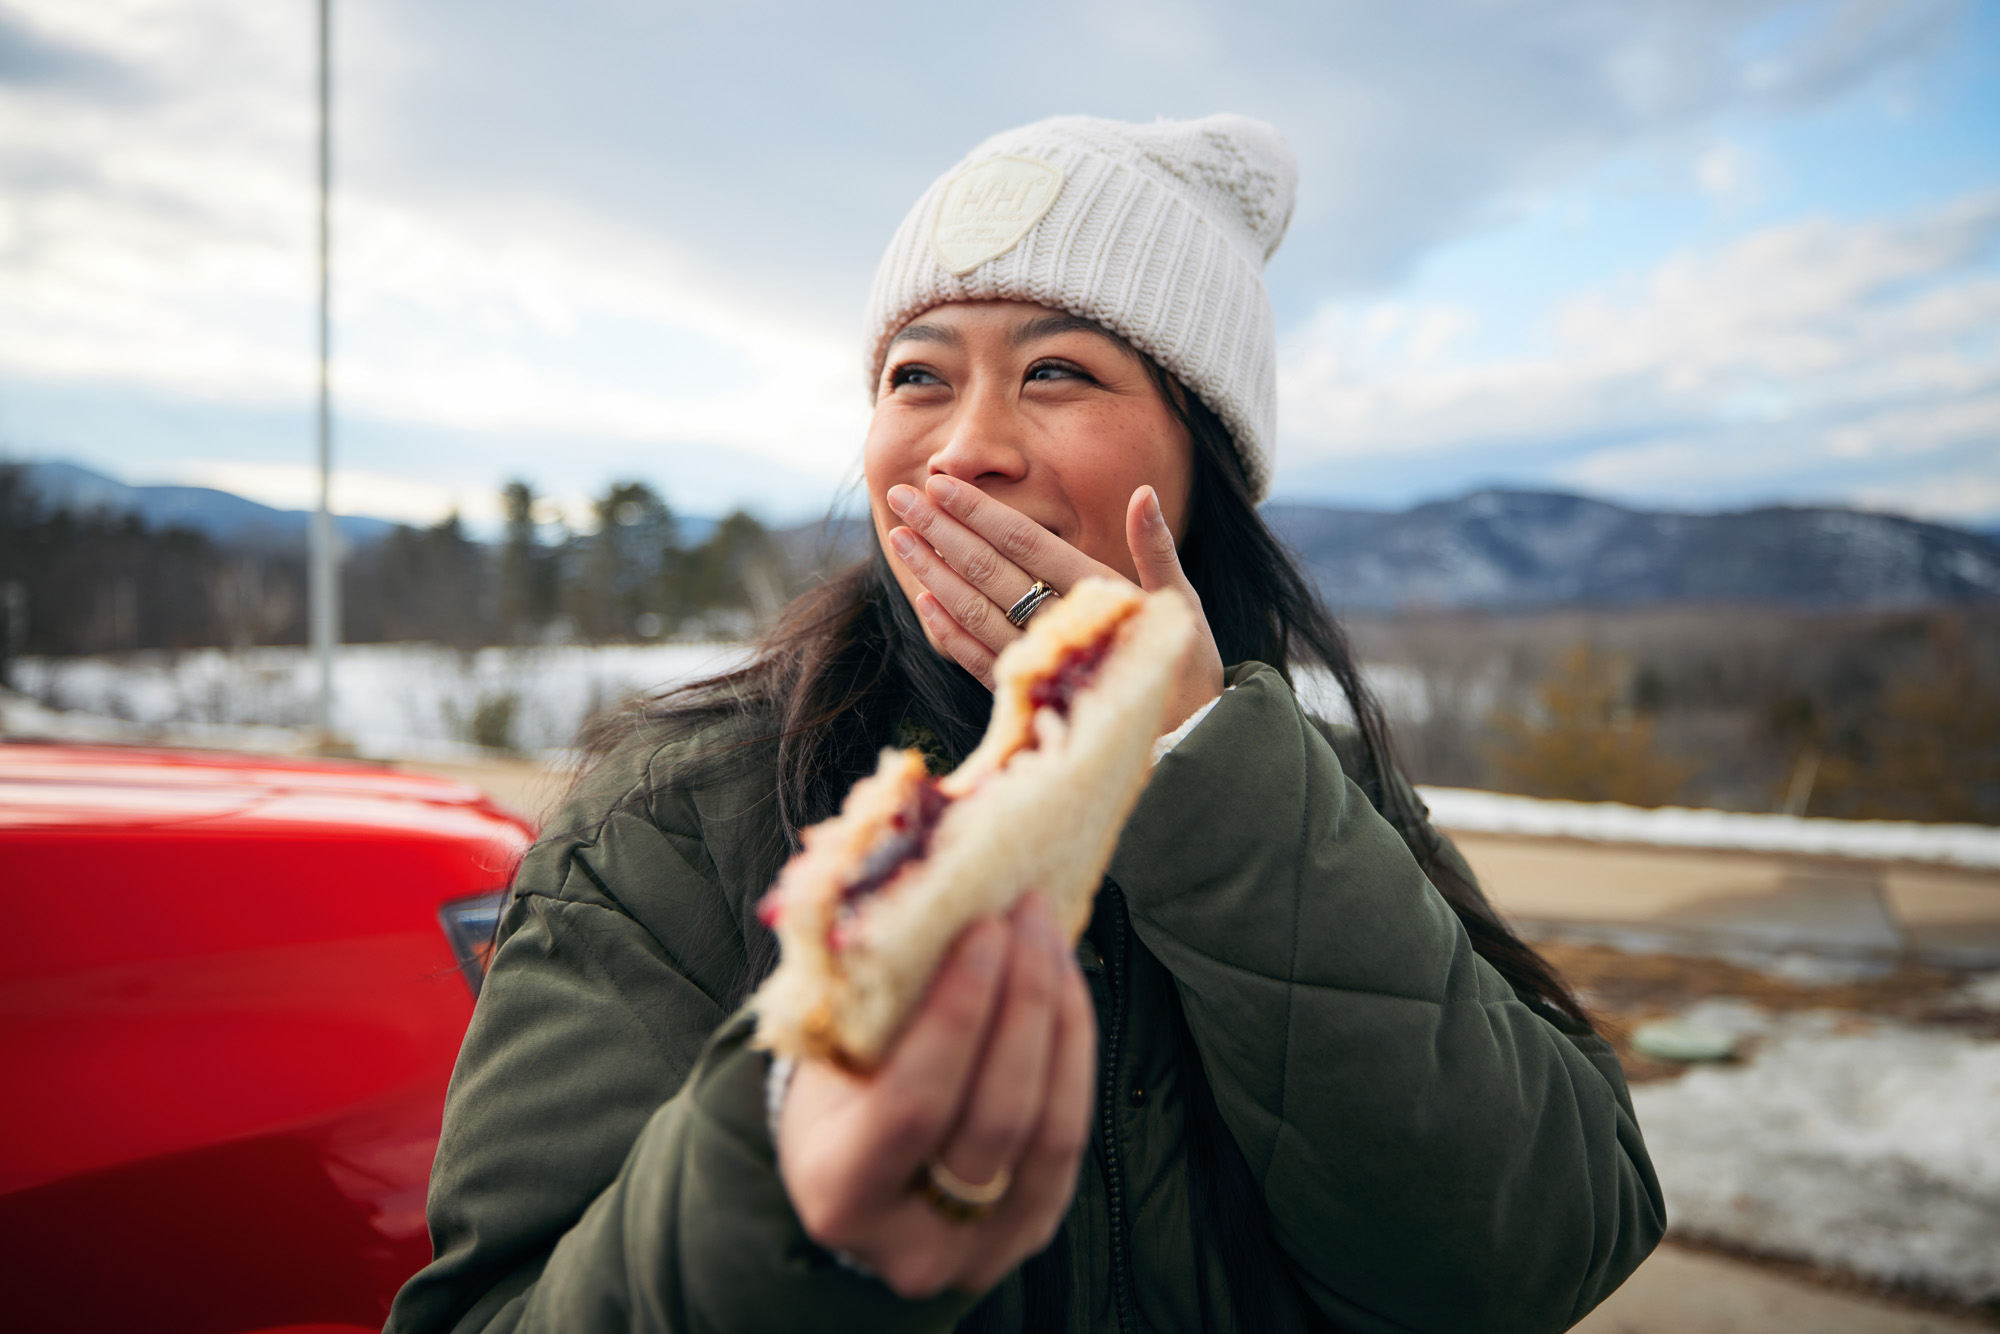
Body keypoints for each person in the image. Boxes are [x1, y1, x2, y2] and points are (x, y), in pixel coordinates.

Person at [387, 114, 1665, 1334]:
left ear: (1198, 460)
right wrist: (786, 1182)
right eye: (917, 376)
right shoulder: (672, 817)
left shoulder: (1308, 785)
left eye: (1055, 369)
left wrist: (1194, 768)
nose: (964, 449)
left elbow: (1536, 1244)